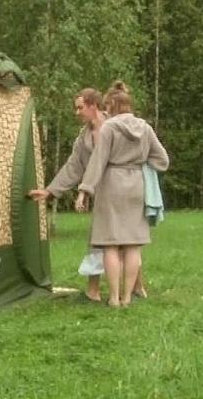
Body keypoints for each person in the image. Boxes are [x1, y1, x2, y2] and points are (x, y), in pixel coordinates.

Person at [27, 88, 147, 302]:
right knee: (100, 239)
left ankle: (133, 287)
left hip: (127, 189)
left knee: (129, 239)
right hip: (103, 194)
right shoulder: (83, 139)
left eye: (80, 107)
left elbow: (143, 149)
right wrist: (50, 191)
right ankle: (95, 289)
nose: (77, 112)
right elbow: (73, 167)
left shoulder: (120, 124)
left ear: (94, 106)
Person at [75, 81, 169, 307]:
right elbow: (163, 160)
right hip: (136, 185)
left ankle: (114, 298)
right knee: (133, 245)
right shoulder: (145, 128)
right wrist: (140, 163)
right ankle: (128, 297)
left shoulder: (109, 128)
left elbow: (98, 162)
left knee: (110, 244)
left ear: (113, 105)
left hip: (111, 185)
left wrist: (84, 191)